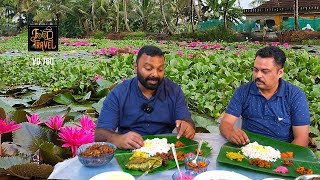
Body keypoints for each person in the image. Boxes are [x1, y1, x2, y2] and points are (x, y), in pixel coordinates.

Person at [95, 45, 196, 149]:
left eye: (160, 70)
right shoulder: (118, 93)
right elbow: (100, 133)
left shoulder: (174, 91)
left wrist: (188, 126)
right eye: (148, 68)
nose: (155, 74)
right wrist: (116, 139)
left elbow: (186, 119)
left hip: (164, 149)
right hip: (130, 150)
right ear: (136, 68)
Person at [219, 46, 310, 147]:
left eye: (265, 71)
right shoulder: (243, 92)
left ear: (280, 73)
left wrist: (282, 158)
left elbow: (302, 138)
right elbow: (226, 123)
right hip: (248, 149)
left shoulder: (295, 96)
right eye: (255, 70)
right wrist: (230, 133)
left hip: (281, 152)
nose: (258, 75)